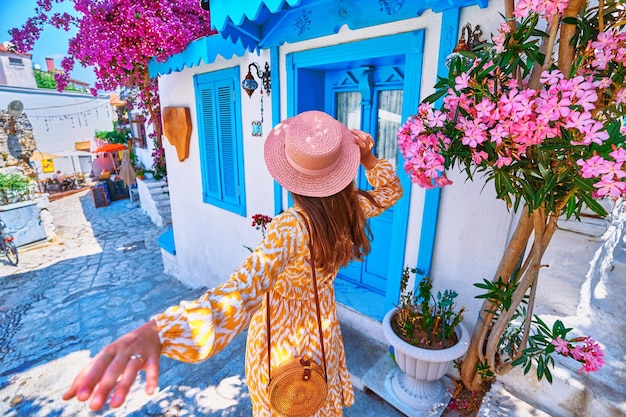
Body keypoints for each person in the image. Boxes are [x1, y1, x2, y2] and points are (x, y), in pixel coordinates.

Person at [62, 110, 403, 415]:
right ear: (340, 169)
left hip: (281, 344)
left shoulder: (292, 226)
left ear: (291, 175)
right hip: (322, 332)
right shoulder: (349, 208)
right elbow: (390, 191)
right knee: (315, 400)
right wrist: (369, 159)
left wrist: (164, 330)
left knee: (287, 404)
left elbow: (239, 293)